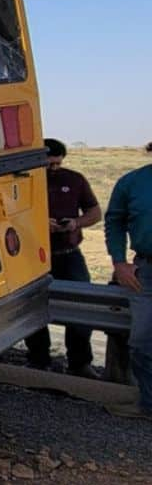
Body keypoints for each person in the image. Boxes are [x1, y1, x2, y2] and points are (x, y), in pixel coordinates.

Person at [24, 138, 102, 376]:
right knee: (32, 308)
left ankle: (79, 363)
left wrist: (76, 223)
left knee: (80, 306)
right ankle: (38, 360)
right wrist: (37, 223)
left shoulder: (74, 179)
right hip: (32, 256)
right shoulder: (22, 181)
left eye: (57, 164)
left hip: (69, 254)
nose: (53, 169)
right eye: (48, 165)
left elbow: (95, 212)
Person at [104, 141, 152, 419]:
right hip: (145, 273)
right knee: (143, 342)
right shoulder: (132, 182)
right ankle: (148, 405)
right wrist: (119, 262)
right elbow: (114, 221)